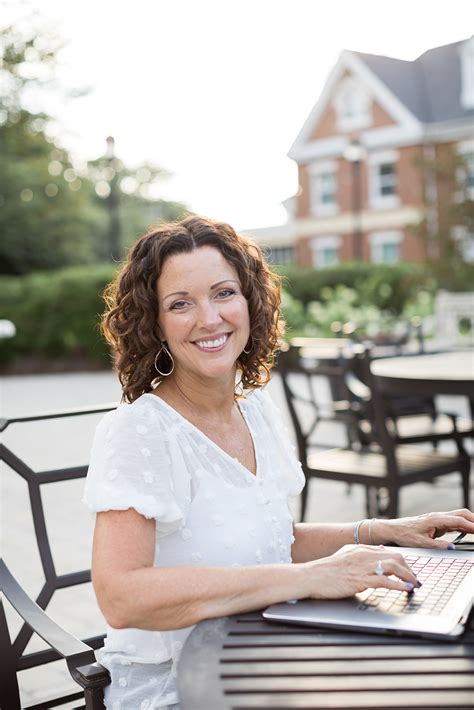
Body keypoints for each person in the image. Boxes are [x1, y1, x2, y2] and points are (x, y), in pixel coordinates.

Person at [84, 215, 474, 709]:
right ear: (155, 323)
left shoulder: (255, 409)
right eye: (180, 304)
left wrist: (384, 531)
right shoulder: (139, 431)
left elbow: (271, 541)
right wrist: (314, 576)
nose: (209, 318)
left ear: (250, 301)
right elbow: (122, 598)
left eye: (224, 293)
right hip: (183, 683)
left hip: (264, 648)